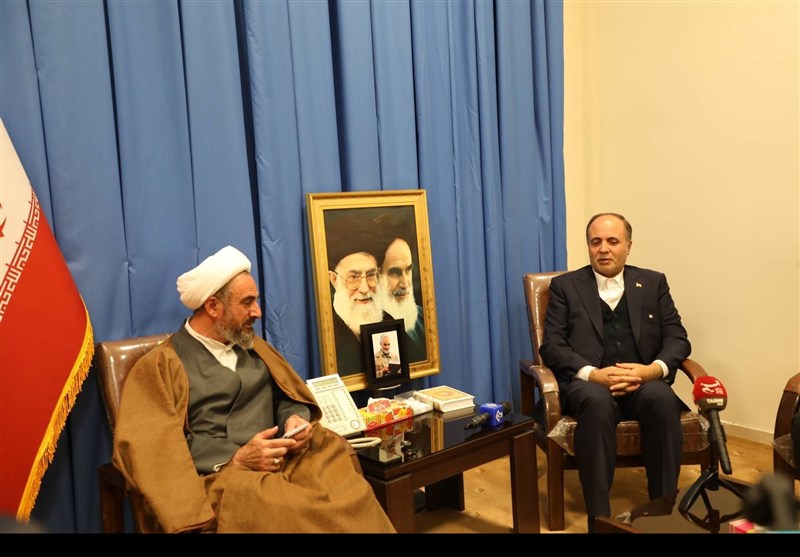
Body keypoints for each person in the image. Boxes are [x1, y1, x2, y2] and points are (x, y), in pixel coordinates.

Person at [112, 246, 396, 533]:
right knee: (293, 508)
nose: (257, 312)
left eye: (256, 301)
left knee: (342, 476)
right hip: (225, 475)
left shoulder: (253, 346)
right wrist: (236, 457)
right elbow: (156, 447)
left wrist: (293, 419)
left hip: (285, 456)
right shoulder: (161, 364)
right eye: (247, 302)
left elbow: (285, 397)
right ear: (213, 307)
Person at [539, 213, 691, 533]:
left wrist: (651, 371)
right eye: (596, 242)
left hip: (642, 381)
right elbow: (552, 346)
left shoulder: (653, 282)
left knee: (662, 399)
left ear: (628, 246)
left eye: (612, 241)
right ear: (588, 246)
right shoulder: (566, 286)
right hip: (589, 384)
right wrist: (593, 374)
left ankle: (663, 511)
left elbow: (678, 339)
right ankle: (600, 519)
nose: (604, 249)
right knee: (597, 404)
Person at [326, 216, 388, 375]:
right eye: (353, 277)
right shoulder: (325, 335)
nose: (365, 289)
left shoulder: (390, 324)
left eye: (371, 275)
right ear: (334, 279)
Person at [374, 213, 427, 362]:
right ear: (376, 275)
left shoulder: (424, 318)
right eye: (395, 272)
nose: (405, 283)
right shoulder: (367, 327)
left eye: (408, 270)